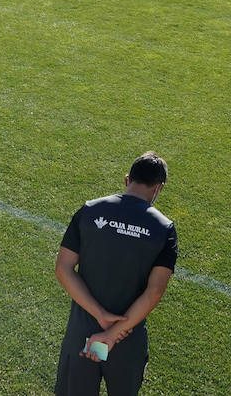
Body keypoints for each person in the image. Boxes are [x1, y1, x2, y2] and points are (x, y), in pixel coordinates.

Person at [53, 152, 177, 396]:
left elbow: (63, 269)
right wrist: (111, 334)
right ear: (159, 188)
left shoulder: (89, 210)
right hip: (125, 339)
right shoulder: (164, 229)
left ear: (127, 179)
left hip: (84, 334)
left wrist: (101, 316)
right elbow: (154, 292)